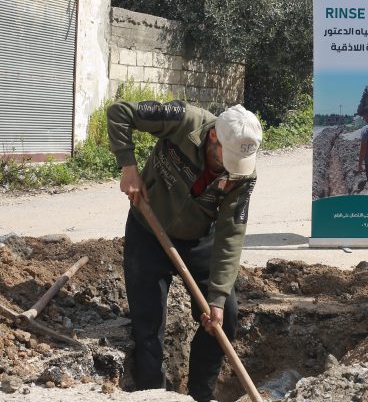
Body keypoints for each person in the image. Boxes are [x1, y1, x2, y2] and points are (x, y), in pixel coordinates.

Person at [107, 100, 261, 402]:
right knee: (148, 323)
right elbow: (119, 113)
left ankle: (200, 394)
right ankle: (152, 393)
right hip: (147, 231)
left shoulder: (244, 174)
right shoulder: (184, 120)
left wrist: (216, 297)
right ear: (214, 136)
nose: (230, 168)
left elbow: (231, 234)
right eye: (225, 158)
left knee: (225, 315)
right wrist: (129, 167)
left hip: (200, 238)